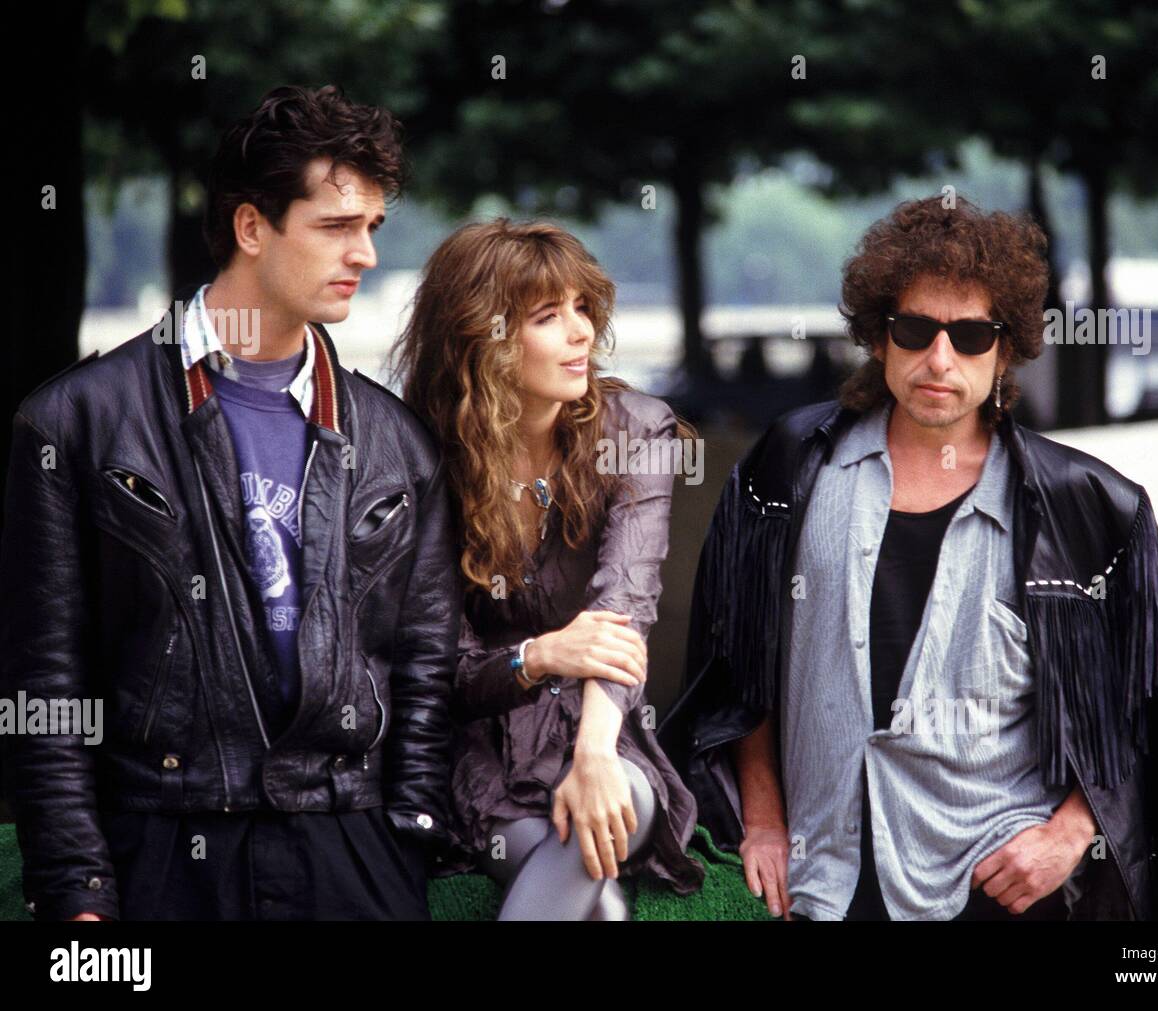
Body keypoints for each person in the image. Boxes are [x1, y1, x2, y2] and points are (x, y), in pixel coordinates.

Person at [660, 194, 1158, 922]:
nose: (939, 358)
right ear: (878, 337)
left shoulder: (1089, 507)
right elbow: (741, 666)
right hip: (819, 881)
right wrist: (765, 817)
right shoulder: (789, 468)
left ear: (1005, 347)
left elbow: (1150, 713)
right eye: (914, 329)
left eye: (969, 335)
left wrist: (1071, 830)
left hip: (997, 886)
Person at [0, 85, 460, 920]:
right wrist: (77, 888)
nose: (365, 253)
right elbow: (45, 679)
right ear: (252, 227)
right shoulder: (76, 420)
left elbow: (425, 662)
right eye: (335, 226)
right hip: (160, 848)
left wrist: (405, 835)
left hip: (350, 848)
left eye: (372, 228)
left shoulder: (400, 442)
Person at [390, 218, 705, 919]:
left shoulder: (636, 431)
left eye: (583, 308)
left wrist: (595, 751)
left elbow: (627, 598)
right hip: (485, 762)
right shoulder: (424, 461)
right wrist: (538, 655)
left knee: (610, 806)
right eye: (547, 316)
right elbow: (439, 669)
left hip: (607, 735)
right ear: (486, 338)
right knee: (586, 890)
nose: (581, 332)